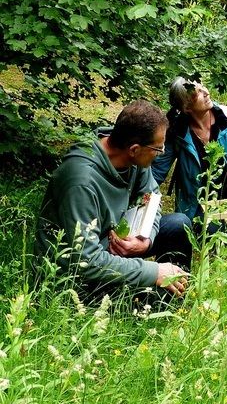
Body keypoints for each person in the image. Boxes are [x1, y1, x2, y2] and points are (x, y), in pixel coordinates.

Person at [35, 100, 190, 300]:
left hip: (113, 248)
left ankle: (177, 295)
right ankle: (164, 299)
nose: (161, 155)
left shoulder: (135, 160)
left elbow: (153, 199)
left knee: (179, 225)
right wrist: (153, 272)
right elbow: (85, 261)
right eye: (158, 150)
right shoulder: (81, 182)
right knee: (155, 296)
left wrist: (146, 241)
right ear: (134, 149)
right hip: (76, 274)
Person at [152, 78, 227, 239]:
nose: (206, 93)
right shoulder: (177, 131)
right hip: (200, 199)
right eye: (198, 94)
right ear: (186, 107)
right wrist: (143, 196)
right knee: (214, 236)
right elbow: (158, 170)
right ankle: (218, 232)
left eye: (203, 88)